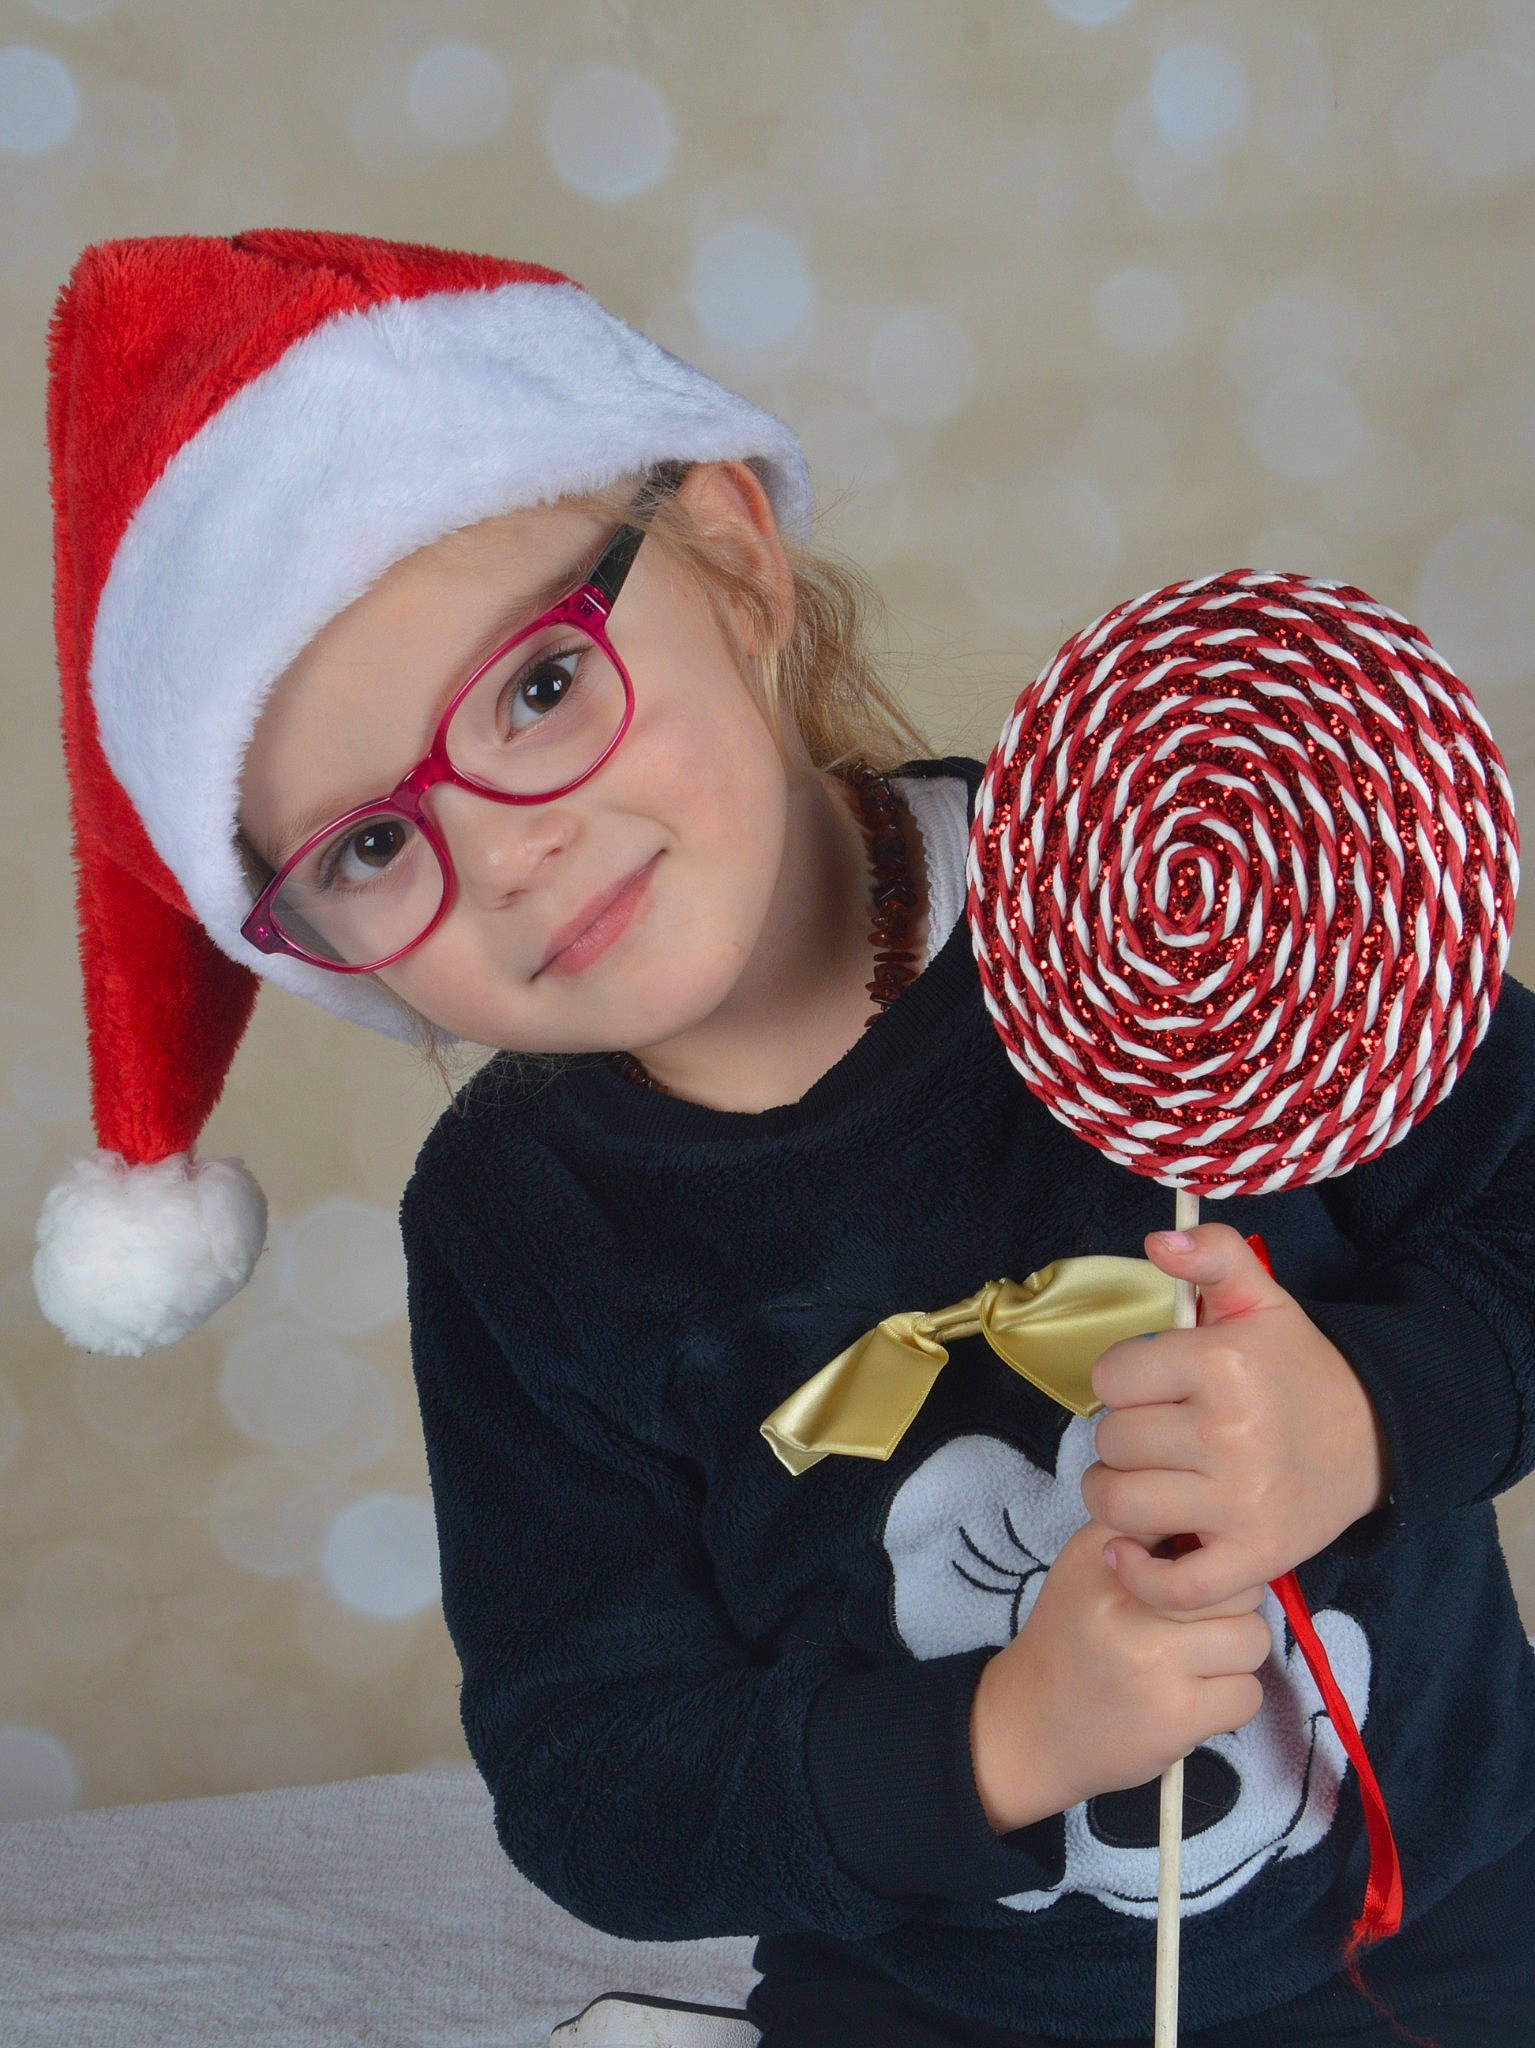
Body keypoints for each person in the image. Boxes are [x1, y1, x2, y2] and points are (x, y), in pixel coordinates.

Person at [33, 230, 1535, 2048]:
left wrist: (1369, 1414)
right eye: (366, 847)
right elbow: (595, 1776)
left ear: (736, 564)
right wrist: (993, 1741)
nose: (507, 850)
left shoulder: (1157, 884)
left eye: (537, 687)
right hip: (918, 1991)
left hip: (1438, 1904)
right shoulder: (519, 1227)